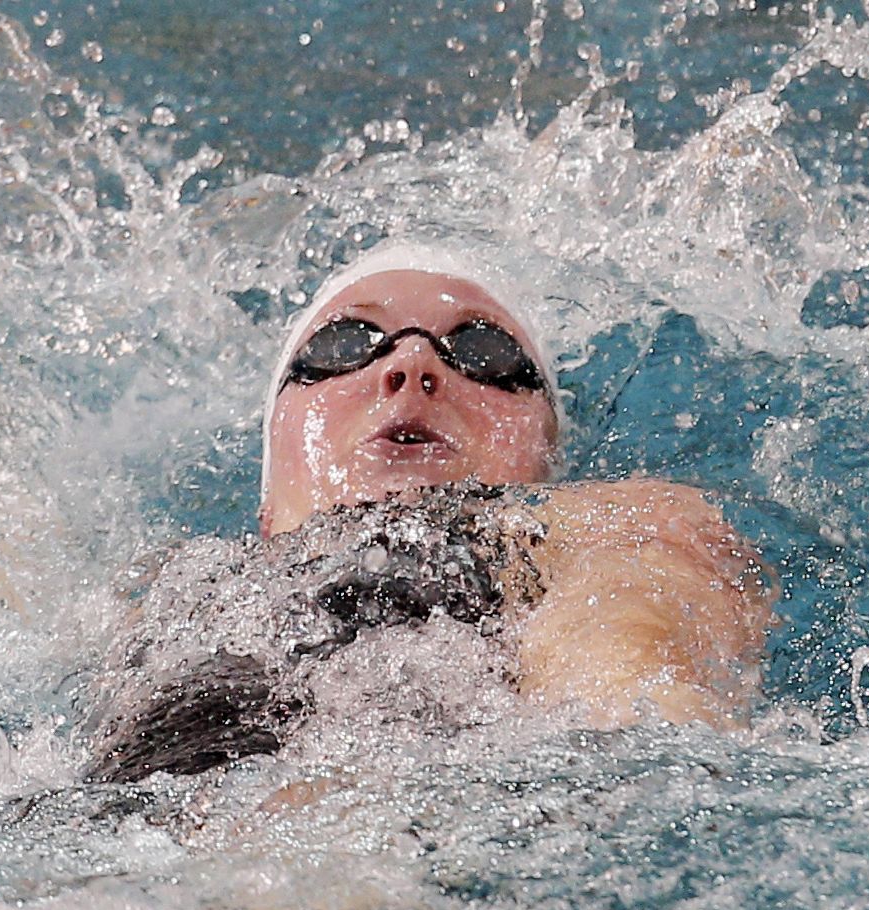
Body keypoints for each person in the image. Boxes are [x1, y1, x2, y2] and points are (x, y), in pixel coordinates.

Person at [84, 245, 774, 783]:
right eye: (344, 345)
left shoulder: (607, 525)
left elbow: (633, 708)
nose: (411, 363)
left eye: (485, 354)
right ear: (265, 500)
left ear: (546, 461)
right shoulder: (169, 588)